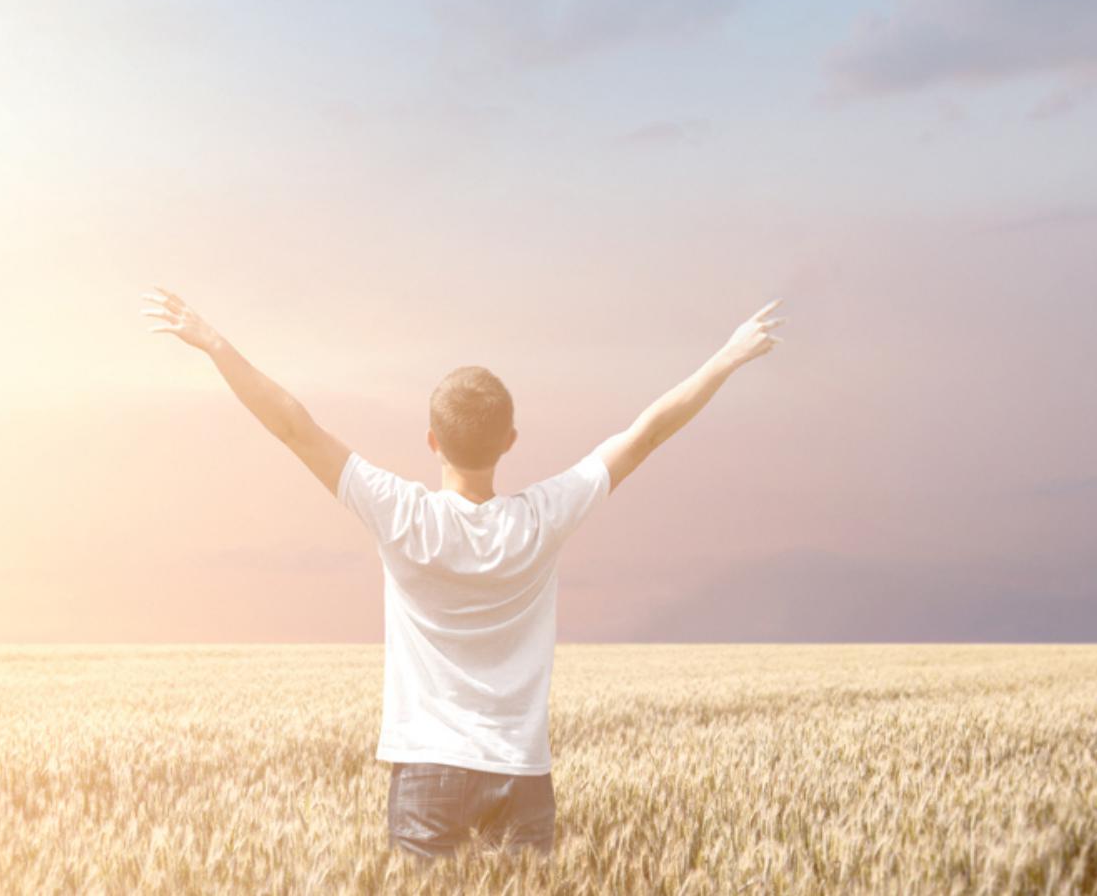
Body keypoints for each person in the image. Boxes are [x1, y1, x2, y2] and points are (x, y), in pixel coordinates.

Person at [140, 287, 784, 858]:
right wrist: (726, 356)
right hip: (520, 769)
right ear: (510, 441)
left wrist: (215, 344)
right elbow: (645, 434)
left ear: (431, 441)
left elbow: (293, 426)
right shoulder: (542, 518)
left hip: (425, 771)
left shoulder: (400, 514)